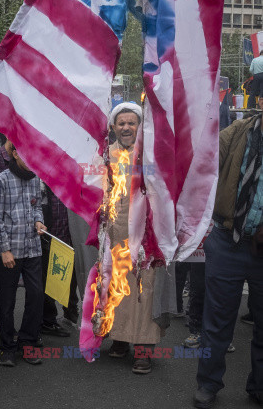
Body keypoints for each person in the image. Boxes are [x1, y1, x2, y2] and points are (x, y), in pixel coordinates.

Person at [194, 97, 263, 408]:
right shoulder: (238, 131)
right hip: (227, 241)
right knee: (217, 323)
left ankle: (259, 387)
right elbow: (202, 154)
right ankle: (208, 384)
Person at [107, 103, 174, 375]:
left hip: (147, 238)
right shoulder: (104, 156)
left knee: (145, 290)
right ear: (113, 128)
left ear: (140, 126)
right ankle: (121, 338)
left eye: (131, 123)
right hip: (115, 236)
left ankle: (143, 349)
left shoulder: (152, 155)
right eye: (121, 123)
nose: (126, 128)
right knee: (118, 288)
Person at [0, 145, 46, 367]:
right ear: (14, 153)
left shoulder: (34, 178)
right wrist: (4, 249)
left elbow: (36, 208)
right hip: (9, 251)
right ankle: (7, 347)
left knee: (36, 294)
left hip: (32, 247)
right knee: (8, 300)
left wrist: (39, 221)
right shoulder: (2, 180)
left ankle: (28, 342)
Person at [40, 182, 78, 336]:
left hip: (70, 239)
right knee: (48, 282)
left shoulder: (71, 183)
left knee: (71, 279)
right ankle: (48, 321)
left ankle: (71, 315)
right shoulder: (42, 183)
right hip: (49, 239)